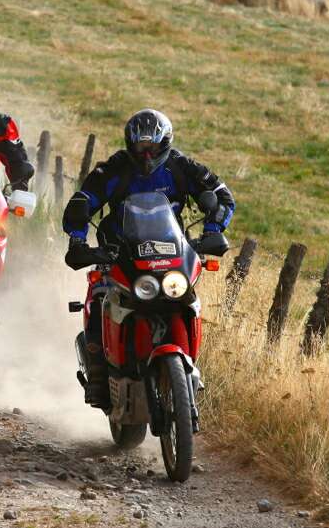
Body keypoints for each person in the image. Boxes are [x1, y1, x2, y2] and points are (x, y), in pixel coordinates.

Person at [62, 109, 234, 407]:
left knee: (188, 298)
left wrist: (212, 231)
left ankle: (188, 368)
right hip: (119, 252)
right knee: (98, 297)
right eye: (140, 147)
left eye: (152, 147)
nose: (146, 155)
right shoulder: (114, 169)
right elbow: (83, 202)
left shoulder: (182, 167)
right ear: (130, 144)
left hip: (172, 252)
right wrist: (78, 240)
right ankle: (99, 376)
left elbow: (222, 197)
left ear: (165, 143)